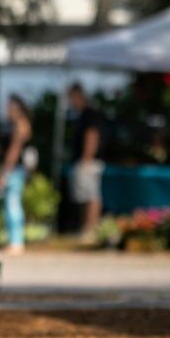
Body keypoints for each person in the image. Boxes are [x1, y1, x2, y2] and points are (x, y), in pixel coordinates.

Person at [0, 95, 34, 254]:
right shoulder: (20, 124)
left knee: (12, 204)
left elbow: (14, 150)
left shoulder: (20, 125)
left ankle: (16, 241)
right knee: (11, 204)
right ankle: (15, 240)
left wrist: (5, 170)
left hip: (14, 169)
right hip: (17, 169)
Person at [67, 82, 104, 238]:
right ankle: (86, 228)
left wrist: (86, 159)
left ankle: (91, 229)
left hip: (88, 161)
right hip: (84, 161)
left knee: (91, 196)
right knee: (84, 196)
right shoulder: (82, 115)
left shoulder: (89, 115)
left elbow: (92, 136)